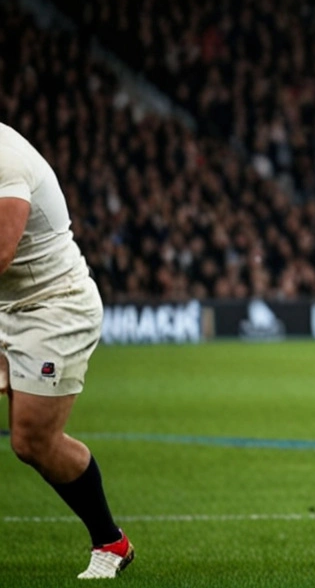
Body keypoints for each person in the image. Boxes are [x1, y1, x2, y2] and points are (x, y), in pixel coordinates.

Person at [0, 121, 134, 579]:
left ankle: (111, 542)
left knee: (32, 441)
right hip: (6, 303)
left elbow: (1, 250)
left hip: (53, 308)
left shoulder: (5, 159)